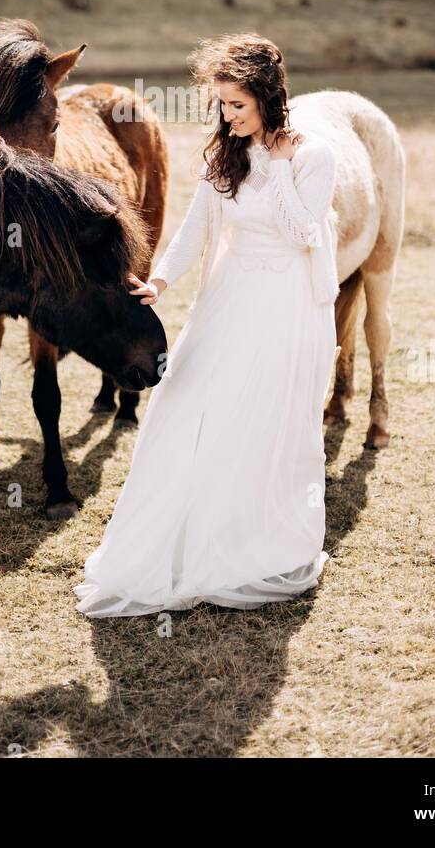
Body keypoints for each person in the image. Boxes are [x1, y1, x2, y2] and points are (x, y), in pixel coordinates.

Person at [74, 33, 340, 617]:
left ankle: (253, 544)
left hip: (285, 305)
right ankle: (182, 536)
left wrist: (277, 165)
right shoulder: (224, 154)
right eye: (222, 104)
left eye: (238, 105)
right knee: (185, 403)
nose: (228, 115)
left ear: (269, 98)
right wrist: (160, 282)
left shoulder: (313, 156)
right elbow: (196, 228)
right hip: (230, 298)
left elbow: (301, 234)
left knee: (260, 418)